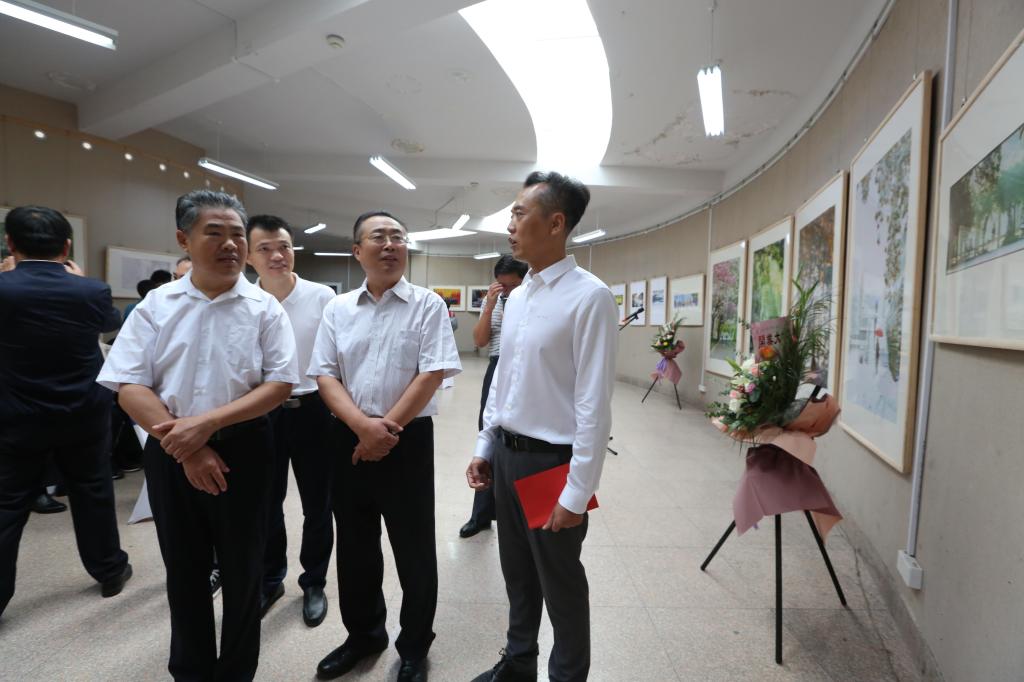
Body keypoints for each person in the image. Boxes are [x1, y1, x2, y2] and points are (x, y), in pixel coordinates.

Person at [98, 190, 298, 681]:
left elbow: (279, 384)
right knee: (184, 570)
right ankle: (190, 671)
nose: (230, 244)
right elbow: (129, 385)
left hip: (246, 450)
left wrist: (207, 426)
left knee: (244, 570)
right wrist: (188, 447)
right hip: (171, 451)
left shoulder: (264, 308)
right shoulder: (156, 305)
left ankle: (236, 672)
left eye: (237, 235)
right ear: (183, 239)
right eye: (215, 233)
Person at [467, 172, 618, 682]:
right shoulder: (521, 294)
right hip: (508, 456)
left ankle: (567, 676)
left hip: (551, 463)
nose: (509, 225)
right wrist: (486, 444)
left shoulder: (589, 297)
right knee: (517, 574)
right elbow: (503, 379)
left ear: (556, 224)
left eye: (519, 213)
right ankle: (518, 663)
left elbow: (594, 404)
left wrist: (577, 492)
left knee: (561, 583)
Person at [309, 211, 460, 682]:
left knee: (414, 549)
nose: (391, 244)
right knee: (355, 546)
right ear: (358, 251)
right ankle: (363, 636)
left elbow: (432, 372)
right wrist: (362, 428)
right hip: (347, 438)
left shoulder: (427, 304)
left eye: (398, 237)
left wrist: (384, 431)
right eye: (379, 237)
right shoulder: (337, 309)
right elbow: (324, 374)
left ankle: (414, 645)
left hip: (407, 439)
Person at [0, 205, 132, 619]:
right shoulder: (91, 290)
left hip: (17, 413)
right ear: (67, 246)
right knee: (92, 492)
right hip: (83, 412)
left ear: (10, 243)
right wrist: (78, 282)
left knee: (8, 504)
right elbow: (108, 323)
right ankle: (110, 570)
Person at [245, 214, 336, 626]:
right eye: (264, 249)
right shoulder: (244, 300)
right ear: (249, 257)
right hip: (262, 412)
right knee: (266, 500)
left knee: (319, 502)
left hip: (314, 409)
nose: (277, 256)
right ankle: (271, 577)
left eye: (283, 246)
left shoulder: (322, 298)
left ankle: (314, 580)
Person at [459, 255, 527, 539]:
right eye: (502, 285)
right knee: (487, 437)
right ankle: (481, 514)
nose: (506, 291)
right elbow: (479, 340)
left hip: (525, 368)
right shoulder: (496, 300)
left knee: (523, 439)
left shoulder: (531, 299)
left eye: (512, 286)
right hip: (497, 364)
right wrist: (489, 304)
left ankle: (520, 514)